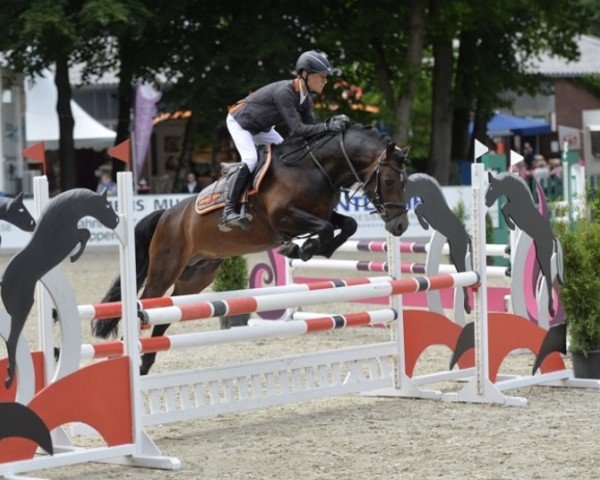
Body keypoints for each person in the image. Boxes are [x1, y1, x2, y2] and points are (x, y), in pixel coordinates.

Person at [219, 50, 349, 232]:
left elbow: (309, 134)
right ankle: (229, 211)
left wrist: (333, 134)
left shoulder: (305, 99)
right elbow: (298, 129)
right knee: (250, 160)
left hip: (262, 128)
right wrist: (328, 126)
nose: (324, 81)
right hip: (241, 122)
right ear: (304, 74)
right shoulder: (285, 92)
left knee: (289, 155)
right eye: (321, 77)